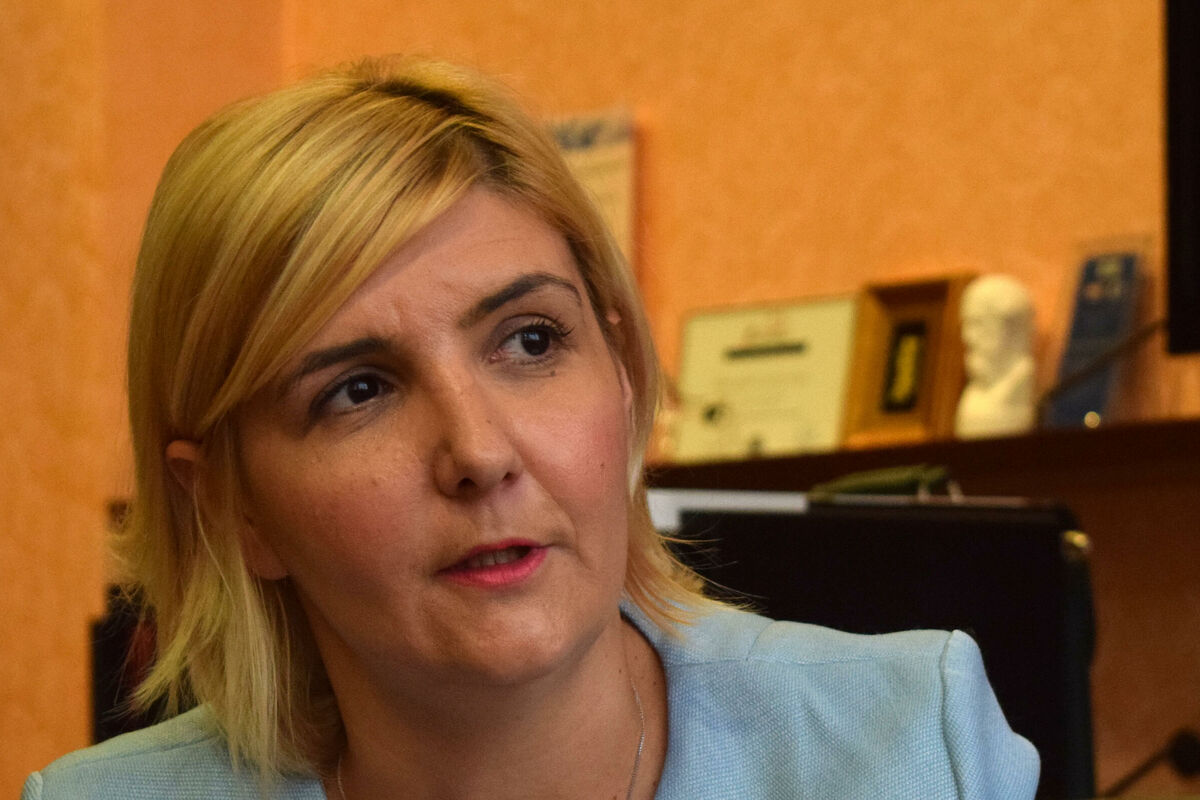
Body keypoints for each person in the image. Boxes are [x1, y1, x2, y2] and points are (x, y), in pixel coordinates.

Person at [23, 57, 1039, 799]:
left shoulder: (912, 742)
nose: (479, 452)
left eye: (531, 340)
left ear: (624, 374)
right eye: (358, 390)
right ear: (232, 507)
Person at [955, 275, 1037, 439]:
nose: (966, 337)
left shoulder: (1018, 384)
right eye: (966, 324)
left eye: (978, 323)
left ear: (1012, 329)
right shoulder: (975, 390)